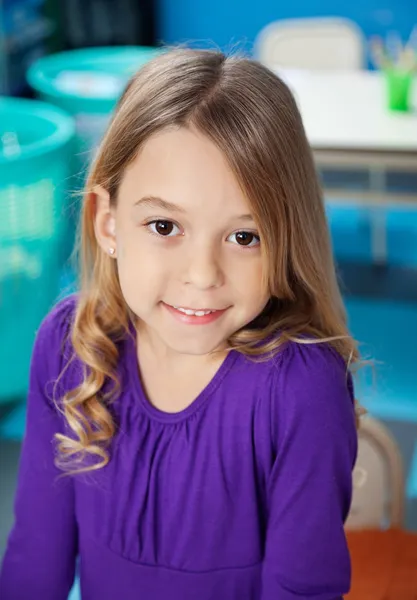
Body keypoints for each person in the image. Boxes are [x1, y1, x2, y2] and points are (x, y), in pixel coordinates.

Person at [0, 49, 360, 600]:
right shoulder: (68, 344)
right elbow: (34, 558)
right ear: (108, 221)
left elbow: (301, 589)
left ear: (286, 239)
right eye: (165, 225)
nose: (202, 275)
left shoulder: (301, 390)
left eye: (245, 236)